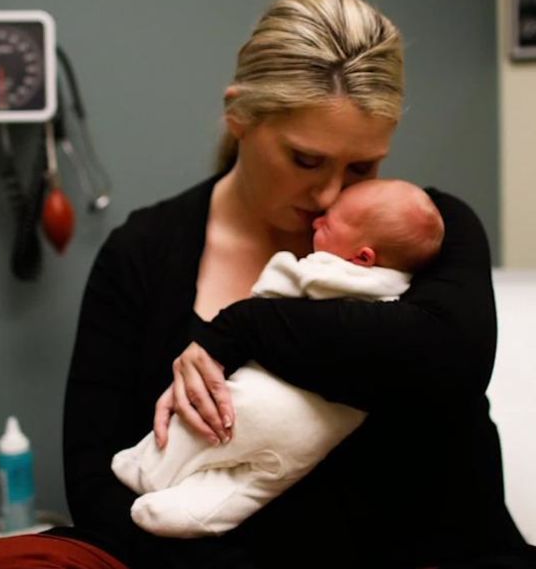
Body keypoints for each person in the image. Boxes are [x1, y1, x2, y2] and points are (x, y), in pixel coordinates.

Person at [0, 0, 536, 569]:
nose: (328, 195)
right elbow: (94, 480)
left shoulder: (424, 227)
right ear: (240, 117)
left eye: (363, 168)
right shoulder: (145, 252)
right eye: (306, 158)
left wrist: (246, 326)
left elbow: (451, 357)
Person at [112, 179, 444, 539]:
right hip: (317, 435)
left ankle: (146, 468)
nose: (318, 218)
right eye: (306, 163)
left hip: (264, 408)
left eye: (328, 224)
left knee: (203, 429)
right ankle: (187, 514)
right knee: (250, 487)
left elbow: (279, 289)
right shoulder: (404, 291)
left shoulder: (329, 273)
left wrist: (282, 268)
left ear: (362, 257)